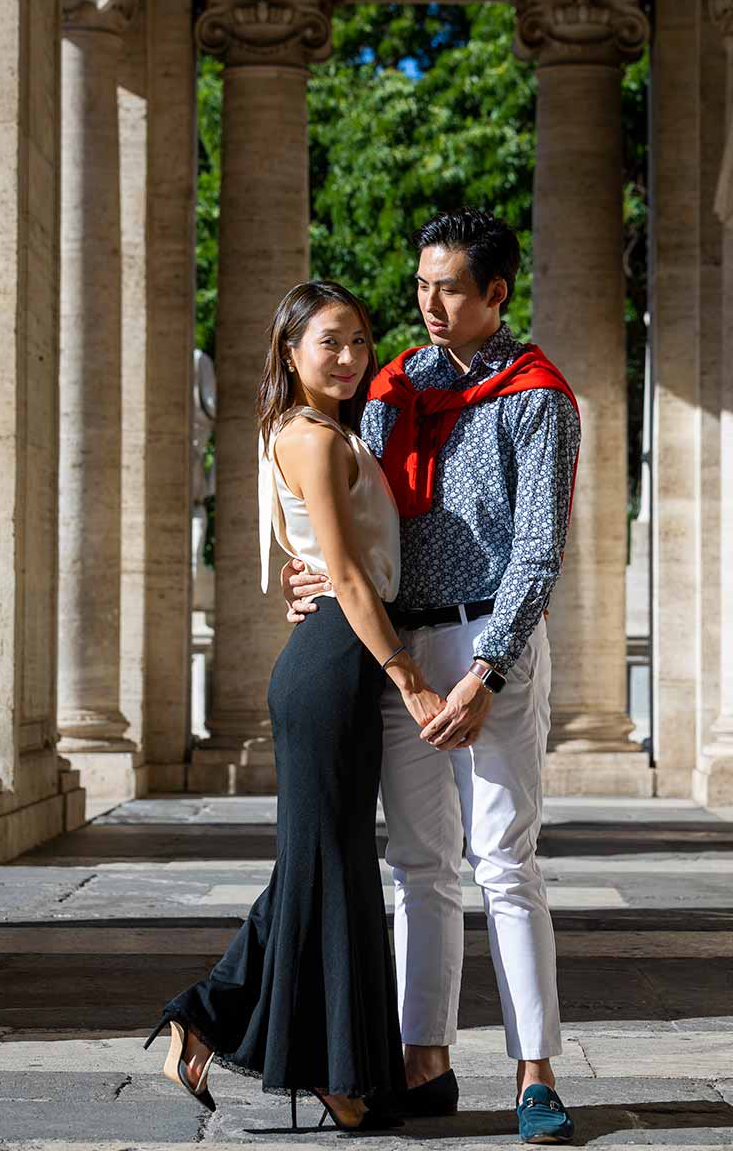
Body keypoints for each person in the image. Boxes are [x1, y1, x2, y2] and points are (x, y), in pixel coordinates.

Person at [284, 208, 581, 1145]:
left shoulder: (538, 398)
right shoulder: (392, 386)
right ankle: (426, 1062)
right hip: (400, 652)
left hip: (491, 639)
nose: (430, 304)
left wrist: (489, 670)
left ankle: (535, 1073)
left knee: (503, 859)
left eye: (450, 287)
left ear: (495, 293)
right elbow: (350, 499)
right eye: (421, 286)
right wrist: (312, 575)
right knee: (418, 864)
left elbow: (539, 548)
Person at [144, 280, 446, 1134]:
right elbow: (347, 576)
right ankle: (335, 1076)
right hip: (337, 663)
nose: (349, 357)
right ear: (289, 351)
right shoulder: (311, 438)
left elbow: (326, 562)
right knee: (333, 865)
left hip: (334, 662)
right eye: (329, 342)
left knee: (322, 862)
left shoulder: (318, 432)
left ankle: (207, 1020)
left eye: (358, 340)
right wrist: (409, 676)